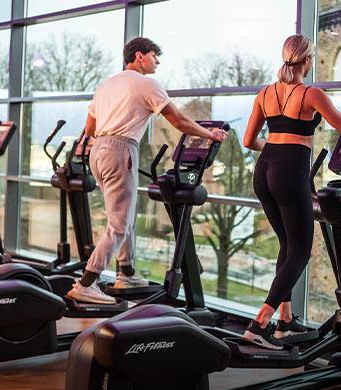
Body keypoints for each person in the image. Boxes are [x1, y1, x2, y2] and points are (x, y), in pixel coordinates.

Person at [241, 34, 341, 349]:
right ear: (307, 61)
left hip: (264, 170)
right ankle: (258, 324)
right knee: (301, 252)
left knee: (287, 245)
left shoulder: (264, 93)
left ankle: (284, 322)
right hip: (290, 171)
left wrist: (274, 154)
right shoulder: (312, 94)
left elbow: (249, 141)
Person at [66, 37, 229, 305]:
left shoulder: (106, 85)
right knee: (120, 224)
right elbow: (179, 120)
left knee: (124, 214)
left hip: (99, 151)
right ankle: (87, 282)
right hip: (121, 149)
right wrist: (209, 134)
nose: (158, 61)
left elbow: (90, 130)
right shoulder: (146, 84)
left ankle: (126, 272)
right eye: (155, 56)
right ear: (140, 56)